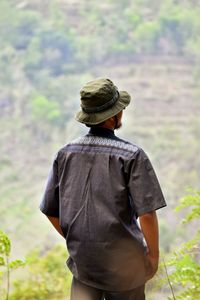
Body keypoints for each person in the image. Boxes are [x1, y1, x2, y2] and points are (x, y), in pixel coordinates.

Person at [39, 78, 167, 300]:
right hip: (125, 269)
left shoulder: (65, 154)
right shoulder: (131, 156)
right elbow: (147, 213)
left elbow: (50, 210)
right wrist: (153, 258)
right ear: (113, 116)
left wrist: (81, 241)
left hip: (84, 268)